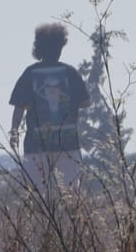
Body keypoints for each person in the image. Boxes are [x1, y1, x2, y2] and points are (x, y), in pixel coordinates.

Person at [9, 22, 89, 189]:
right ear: (59, 47)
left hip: (35, 146)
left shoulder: (29, 73)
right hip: (67, 145)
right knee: (71, 196)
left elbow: (19, 107)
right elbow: (85, 102)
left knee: (37, 196)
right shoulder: (70, 72)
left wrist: (14, 132)